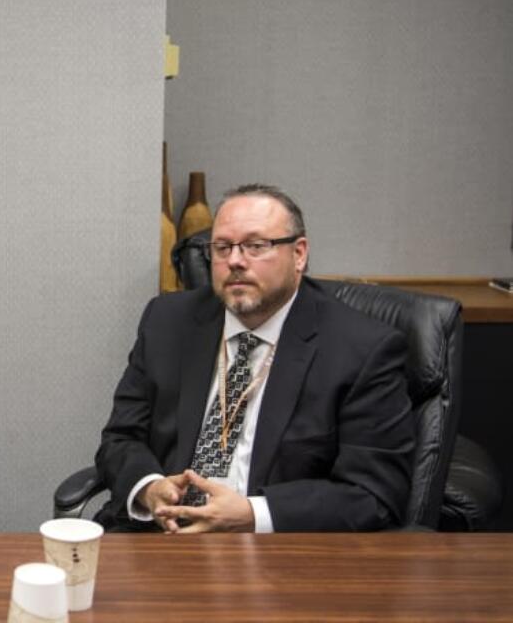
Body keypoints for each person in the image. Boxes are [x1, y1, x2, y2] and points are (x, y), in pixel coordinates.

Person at [94, 184, 414, 533]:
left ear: (299, 254)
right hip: (161, 537)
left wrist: (252, 514)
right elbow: (121, 438)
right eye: (222, 247)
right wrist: (150, 487)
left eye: (255, 246)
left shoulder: (362, 349)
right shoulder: (167, 322)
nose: (234, 260)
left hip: (276, 551)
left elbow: (373, 495)